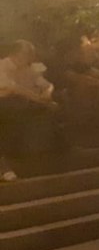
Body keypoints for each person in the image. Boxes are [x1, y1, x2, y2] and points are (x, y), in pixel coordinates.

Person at [0, 40, 59, 180]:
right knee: (15, 103)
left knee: (48, 109)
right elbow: (14, 89)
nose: (31, 57)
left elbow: (46, 84)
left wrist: (47, 93)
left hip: (21, 105)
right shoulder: (2, 66)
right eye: (28, 53)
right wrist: (42, 101)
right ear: (16, 54)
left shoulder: (28, 69)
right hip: (7, 106)